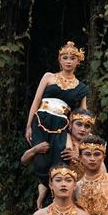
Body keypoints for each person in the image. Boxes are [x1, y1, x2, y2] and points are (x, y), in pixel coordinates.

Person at [24, 42, 88, 192]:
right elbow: (36, 101)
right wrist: (28, 126)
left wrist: (87, 135)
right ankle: (45, 191)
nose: (68, 61)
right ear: (60, 60)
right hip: (41, 121)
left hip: (62, 126)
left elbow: (83, 114)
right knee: (41, 160)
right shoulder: (49, 77)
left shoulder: (81, 88)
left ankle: (59, 196)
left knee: (62, 161)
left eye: (72, 58)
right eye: (65, 57)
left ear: (78, 61)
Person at [21, 108, 98, 208]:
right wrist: (35, 150)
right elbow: (24, 160)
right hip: (57, 195)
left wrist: (79, 157)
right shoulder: (58, 140)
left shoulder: (94, 144)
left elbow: (101, 172)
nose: (83, 129)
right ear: (70, 125)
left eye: (87, 126)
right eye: (79, 124)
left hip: (86, 194)